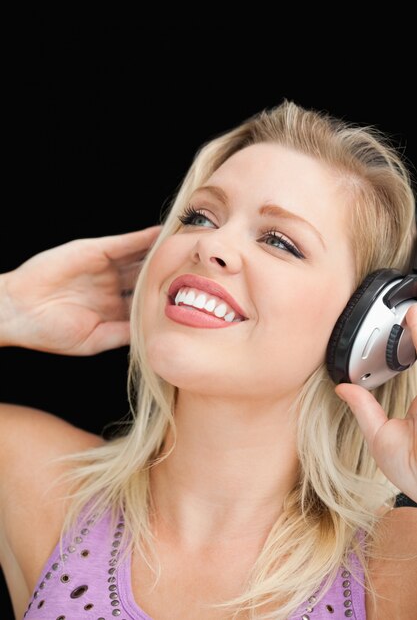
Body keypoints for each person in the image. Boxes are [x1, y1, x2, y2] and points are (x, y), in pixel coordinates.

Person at [0, 100, 416, 620]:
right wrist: (9, 305)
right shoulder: (35, 480)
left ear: (365, 330)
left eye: (280, 242)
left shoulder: (395, 562)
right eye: (199, 217)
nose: (212, 245)